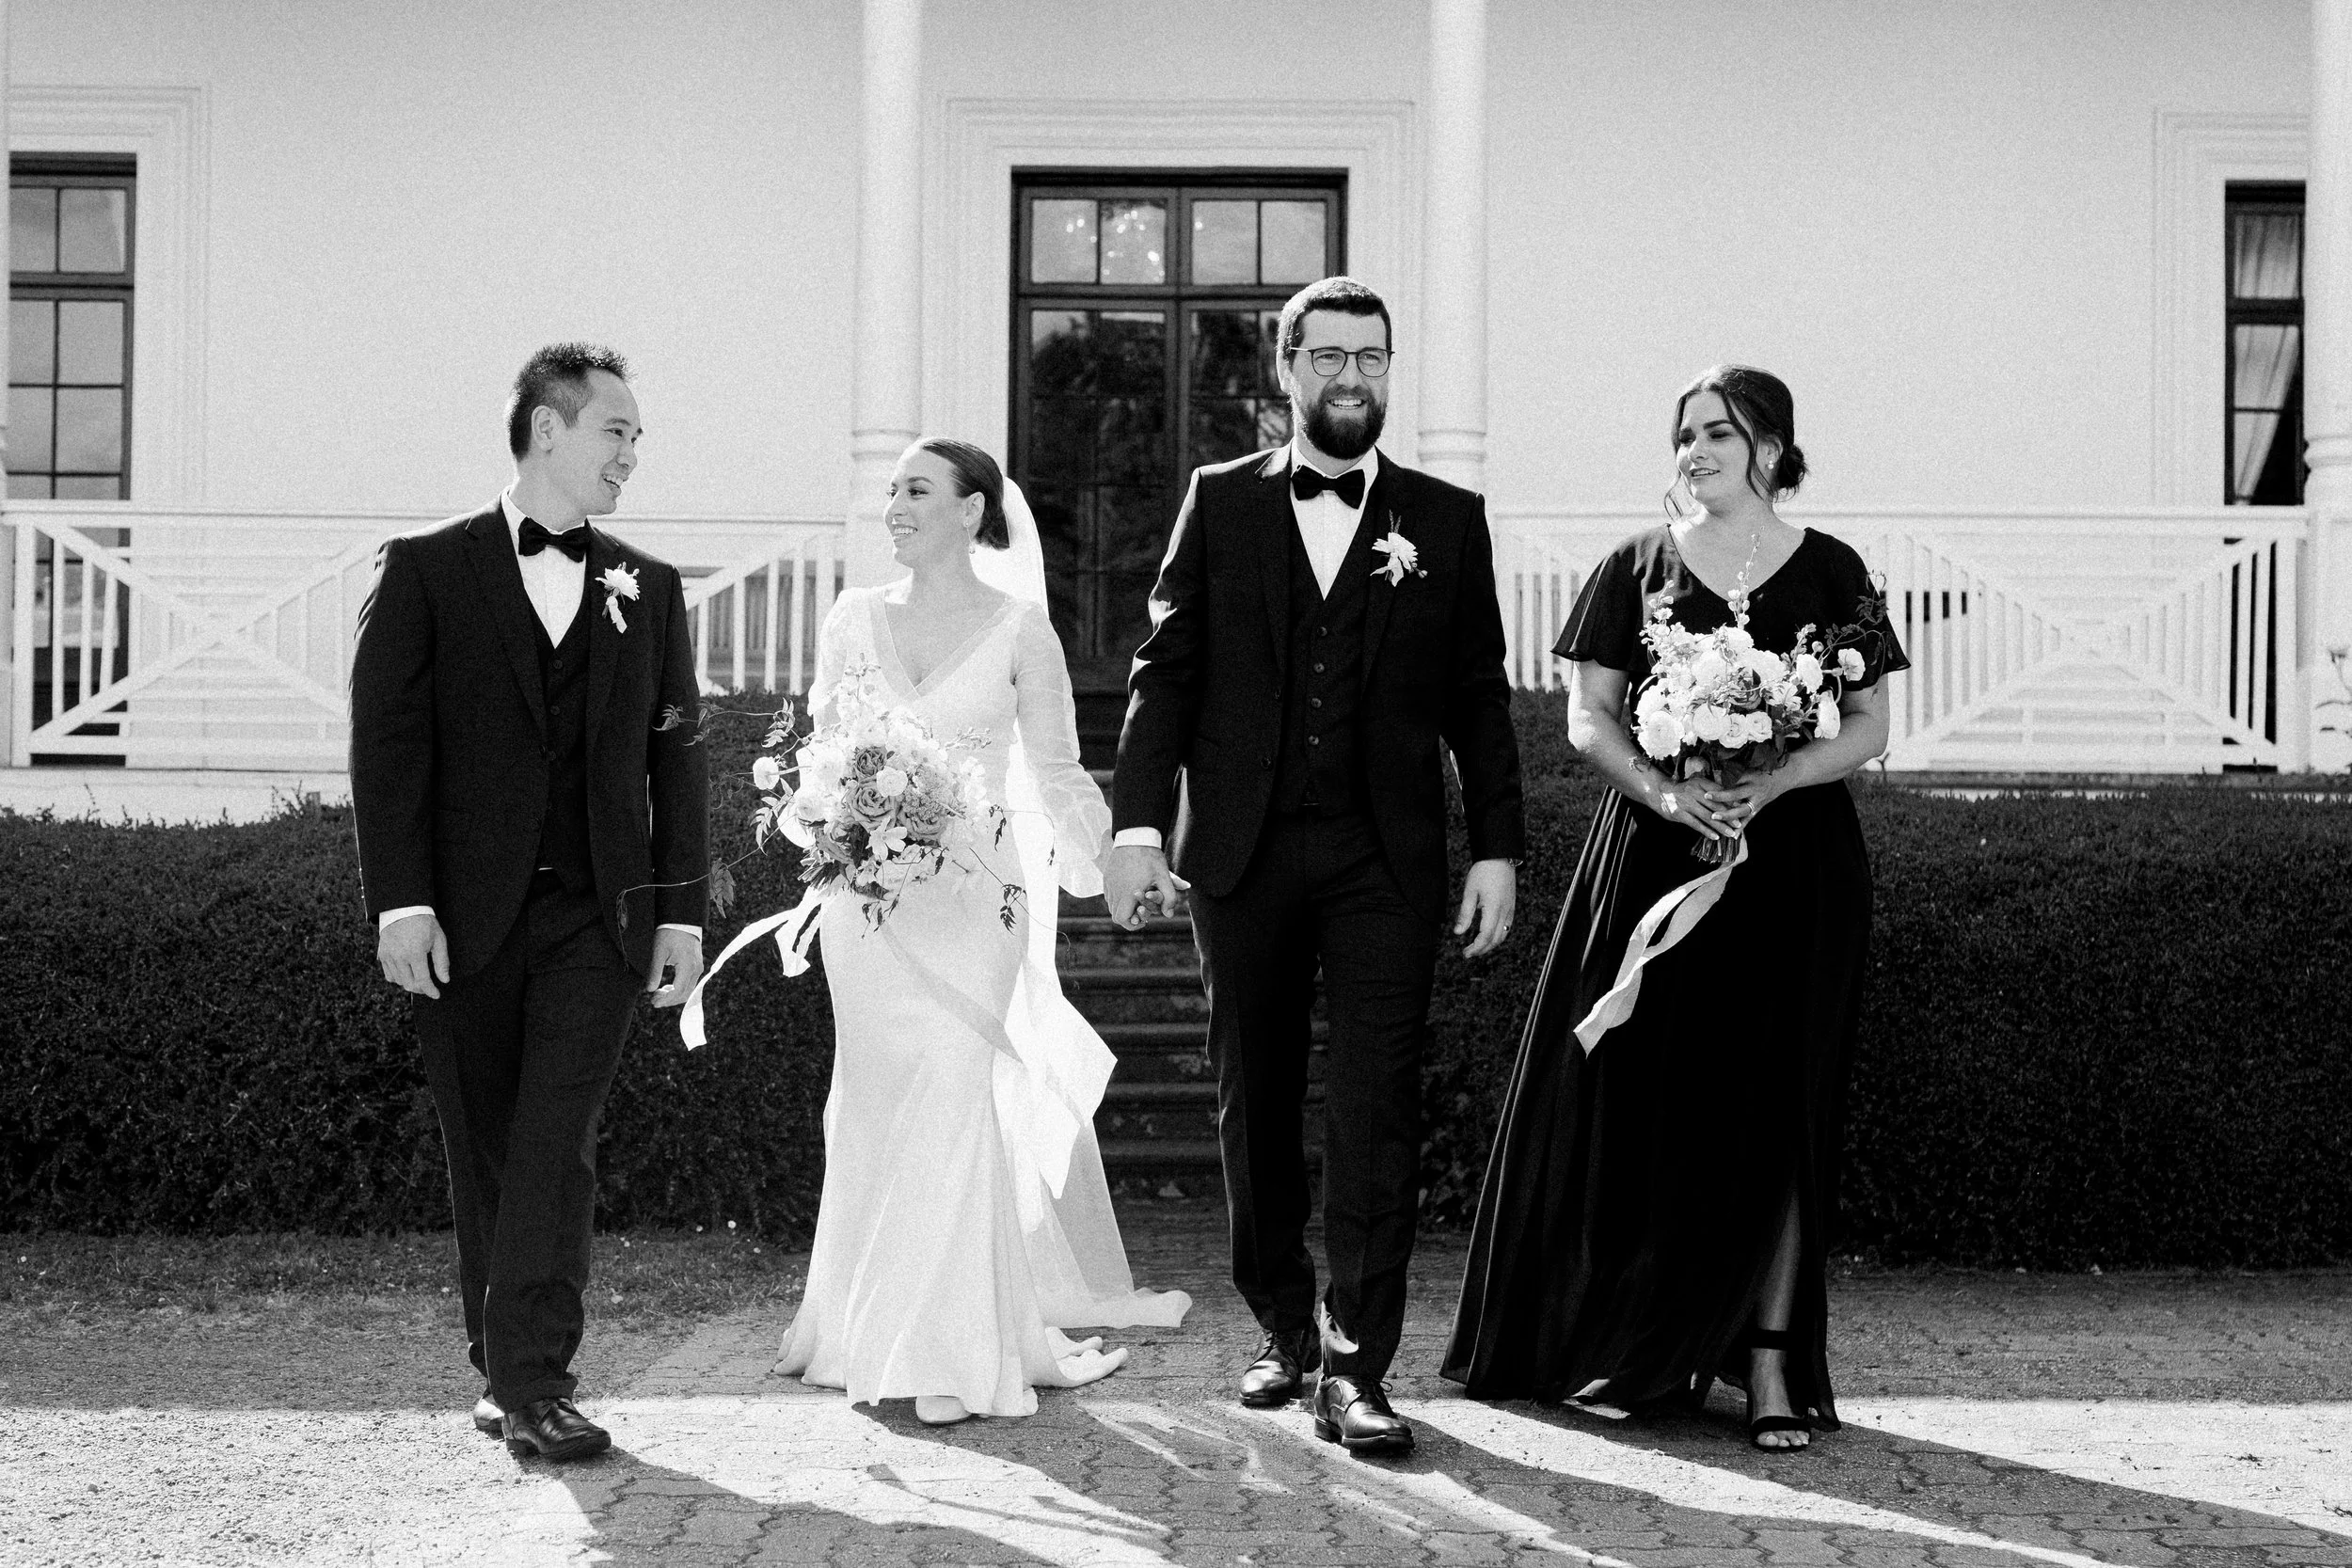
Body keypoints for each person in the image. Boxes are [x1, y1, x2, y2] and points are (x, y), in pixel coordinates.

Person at [1442, 365, 1908, 1451]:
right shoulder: (1633, 565)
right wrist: (1669, 789)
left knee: (1784, 1106)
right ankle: (1637, 1341)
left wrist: (1778, 776)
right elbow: (1587, 716)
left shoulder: (1833, 568)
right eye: (1684, 434)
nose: (1695, 450)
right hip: (1654, 863)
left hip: (1794, 871)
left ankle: (1770, 1360)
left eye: (1719, 432)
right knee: (1648, 1100)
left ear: (1771, 445)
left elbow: (1869, 724)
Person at [1104, 277, 1525, 1456]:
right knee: (1255, 1096)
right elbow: (1164, 669)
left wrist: (1496, 843)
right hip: (1239, 850)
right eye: (1329, 356)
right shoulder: (1217, 501)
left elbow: (1478, 696)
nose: (1352, 377)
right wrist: (1138, 823)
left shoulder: (1445, 518)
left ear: (1390, 371)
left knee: (1377, 1102)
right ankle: (1283, 1326)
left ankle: (1358, 1360)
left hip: (1383, 854)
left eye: (1373, 358)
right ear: (1285, 367)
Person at [773, 437, 1190, 1427]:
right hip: (865, 905)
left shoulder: (1020, 630)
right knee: (874, 1104)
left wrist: (1111, 860)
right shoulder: (850, 619)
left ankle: (954, 1346)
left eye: (916, 489)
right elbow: (821, 747)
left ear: (972, 509)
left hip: (977, 900)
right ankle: (860, 1326)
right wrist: (830, 815)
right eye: (892, 490)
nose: (895, 505)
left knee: (958, 1094)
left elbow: (1052, 768)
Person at [350, 342, 709, 1462]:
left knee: (556, 1142)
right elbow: (388, 750)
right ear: (547, 431)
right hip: (460, 919)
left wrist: (683, 912)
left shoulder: (646, 586)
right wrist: (399, 900)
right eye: (617, 431)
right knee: (487, 1149)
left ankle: (538, 1379)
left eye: (638, 437)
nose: (632, 455)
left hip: (597, 920)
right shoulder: (423, 570)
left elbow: (678, 757)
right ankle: (500, 1366)